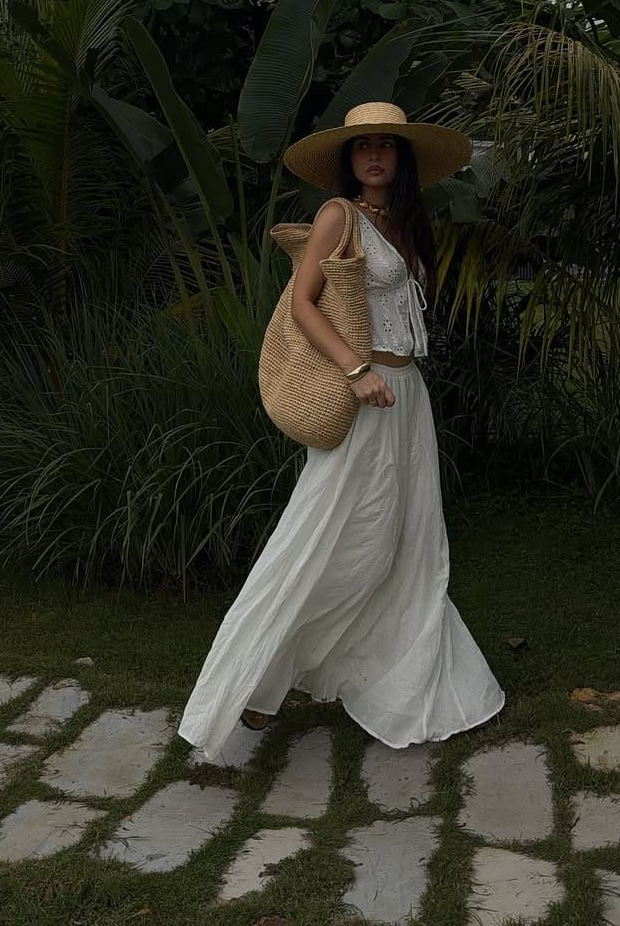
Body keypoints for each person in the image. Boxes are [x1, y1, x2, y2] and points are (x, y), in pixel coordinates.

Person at [177, 102, 505, 763]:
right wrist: (355, 370)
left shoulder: (405, 224)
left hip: (406, 398)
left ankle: (394, 676)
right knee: (327, 537)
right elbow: (303, 300)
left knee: (404, 542)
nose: (374, 157)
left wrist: (383, 376)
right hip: (366, 395)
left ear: (402, 160)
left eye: (386, 146)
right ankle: (249, 699)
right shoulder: (340, 216)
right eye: (362, 149)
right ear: (348, 161)